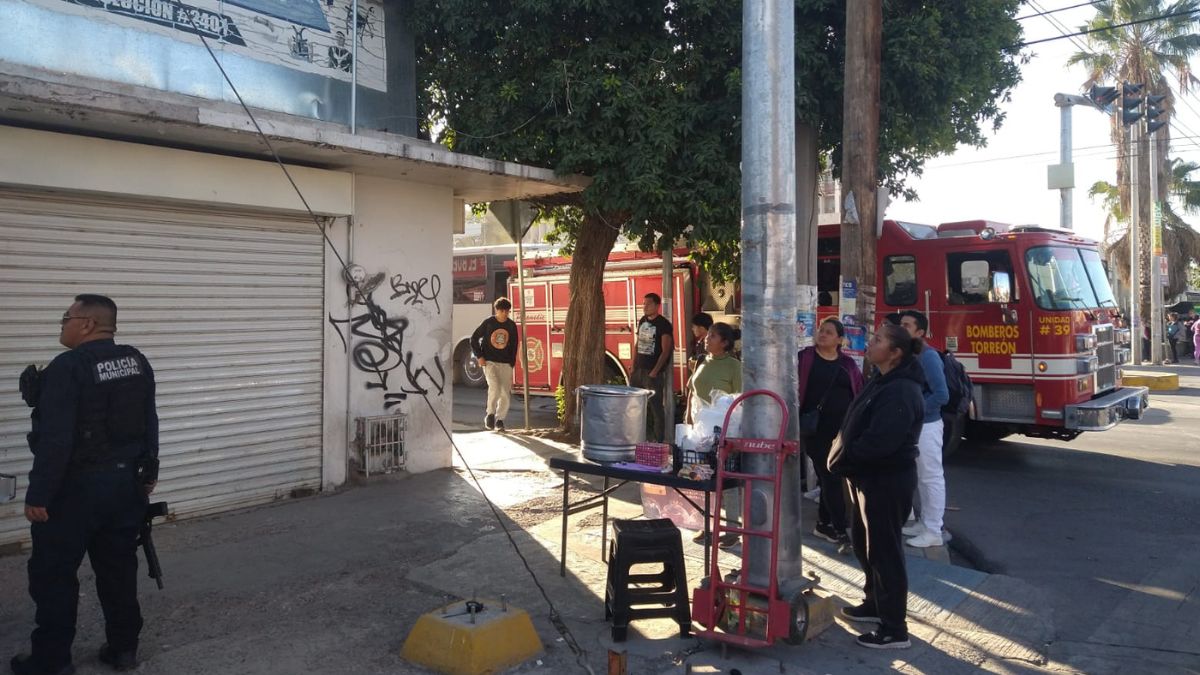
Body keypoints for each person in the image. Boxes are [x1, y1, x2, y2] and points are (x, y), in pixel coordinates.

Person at [13, 294, 159, 675]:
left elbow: (56, 440)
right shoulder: (136, 361)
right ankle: (124, 650)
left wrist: (39, 495)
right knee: (118, 571)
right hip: (126, 487)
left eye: (66, 318)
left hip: (74, 492)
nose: (62, 325)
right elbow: (150, 421)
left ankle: (51, 661)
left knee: (54, 575)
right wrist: (148, 475)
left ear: (88, 324)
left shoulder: (68, 367)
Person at [828, 322, 925, 650]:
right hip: (865, 478)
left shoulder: (901, 390)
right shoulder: (883, 380)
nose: (871, 343)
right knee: (864, 544)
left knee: (886, 553)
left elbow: (880, 442)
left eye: (879, 340)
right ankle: (875, 604)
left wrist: (847, 458)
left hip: (885, 480)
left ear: (895, 354)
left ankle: (895, 628)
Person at [797, 318, 864, 546]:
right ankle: (840, 528)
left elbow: (859, 392)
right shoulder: (805, 358)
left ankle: (823, 524)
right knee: (830, 476)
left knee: (832, 477)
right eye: (821, 331)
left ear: (839, 339)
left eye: (828, 332)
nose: (822, 334)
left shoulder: (848, 365)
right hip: (815, 431)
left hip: (842, 431)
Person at [685, 322, 742, 548]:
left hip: (724, 430)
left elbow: (740, 398)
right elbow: (692, 391)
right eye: (707, 335)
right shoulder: (701, 360)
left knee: (727, 479)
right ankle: (705, 525)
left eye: (713, 336)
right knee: (701, 476)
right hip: (700, 429)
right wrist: (689, 417)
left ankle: (731, 529)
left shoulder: (734, 366)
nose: (707, 339)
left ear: (725, 343)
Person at [898, 310, 949, 549]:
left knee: (930, 477)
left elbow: (941, 394)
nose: (902, 328)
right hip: (915, 425)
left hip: (927, 426)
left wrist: (915, 412)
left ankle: (933, 530)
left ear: (920, 332)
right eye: (901, 324)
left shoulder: (928, 357)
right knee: (919, 477)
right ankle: (924, 523)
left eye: (907, 325)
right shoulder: (909, 356)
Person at [470, 297, 519, 432]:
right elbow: (474, 338)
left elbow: (514, 344)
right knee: (495, 387)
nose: (505, 313)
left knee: (505, 393)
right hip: (490, 361)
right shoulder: (488, 323)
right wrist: (479, 356)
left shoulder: (511, 325)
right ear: (496, 310)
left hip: (505, 363)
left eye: (507, 311)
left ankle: (500, 420)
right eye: (502, 311)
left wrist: (511, 362)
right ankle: (490, 414)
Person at [631, 293, 673, 442]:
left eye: (648, 304)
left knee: (656, 408)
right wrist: (633, 365)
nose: (645, 307)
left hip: (652, 372)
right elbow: (638, 343)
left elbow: (666, 350)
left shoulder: (663, 324)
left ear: (657, 306)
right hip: (638, 370)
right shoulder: (642, 321)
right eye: (643, 304)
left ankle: (658, 440)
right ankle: (635, 437)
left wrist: (655, 371)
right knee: (634, 406)